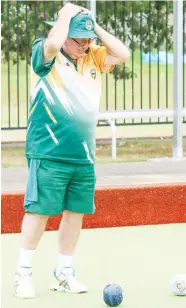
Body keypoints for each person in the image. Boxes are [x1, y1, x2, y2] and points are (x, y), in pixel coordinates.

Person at [13, 3, 130, 299]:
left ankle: (64, 273)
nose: (84, 45)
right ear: (65, 34)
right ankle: (22, 274)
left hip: (83, 155)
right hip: (48, 150)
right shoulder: (46, 53)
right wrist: (66, 14)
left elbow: (123, 53)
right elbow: (53, 42)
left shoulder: (93, 55)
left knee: (75, 212)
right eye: (79, 39)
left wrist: (93, 27)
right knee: (39, 213)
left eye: (87, 39)